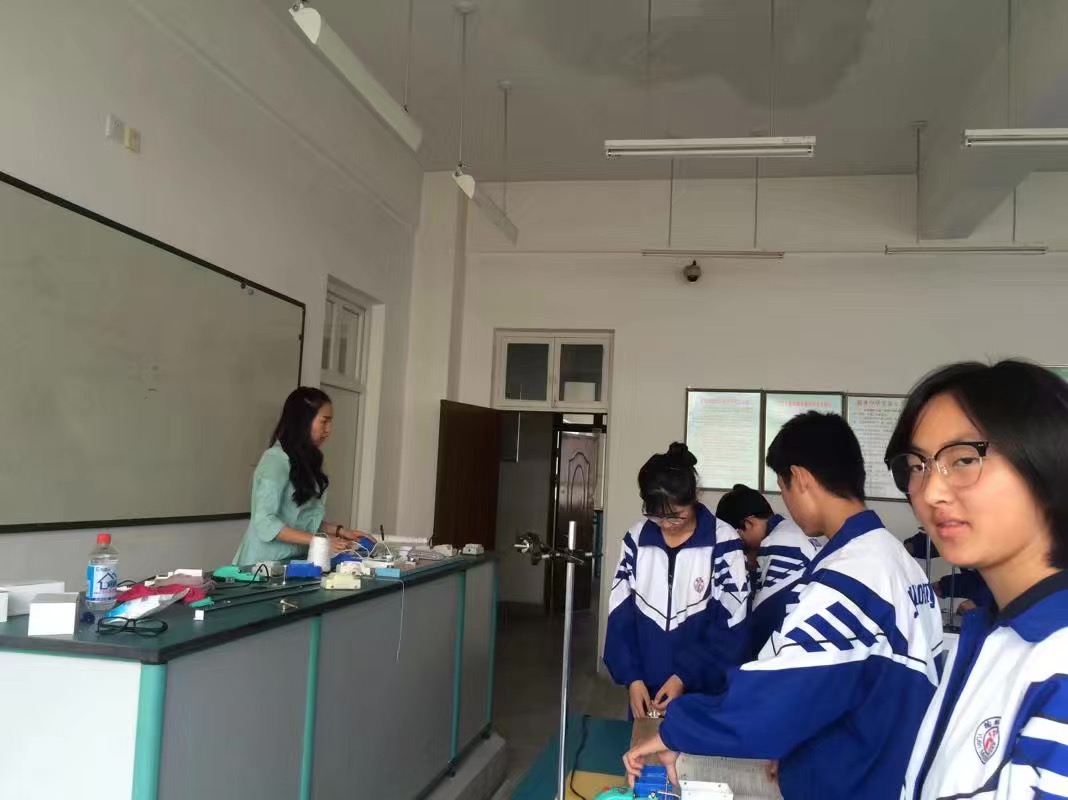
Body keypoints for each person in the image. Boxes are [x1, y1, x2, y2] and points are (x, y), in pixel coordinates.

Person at [625, 413, 943, 800]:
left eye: (783, 488)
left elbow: (772, 702)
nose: (786, 504)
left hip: (849, 782)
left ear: (801, 478)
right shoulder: (902, 564)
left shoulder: (850, 579)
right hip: (889, 773)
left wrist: (675, 730)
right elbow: (840, 686)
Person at [886, 361, 1068, 800]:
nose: (930, 492)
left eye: (964, 459)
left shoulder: (1058, 667)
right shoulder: (990, 635)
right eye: (917, 466)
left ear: (1046, 461)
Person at [603, 442, 750, 719]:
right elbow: (620, 615)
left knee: (695, 746)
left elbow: (732, 625)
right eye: (657, 516)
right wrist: (633, 678)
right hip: (646, 693)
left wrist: (685, 675)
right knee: (644, 746)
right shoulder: (636, 541)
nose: (667, 524)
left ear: (694, 498)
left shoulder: (723, 542)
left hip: (703, 692)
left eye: (676, 516)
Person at [233, 387, 370, 565]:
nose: (328, 430)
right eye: (324, 421)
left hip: (292, 563)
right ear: (303, 421)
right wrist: (320, 541)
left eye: (330, 422)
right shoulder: (275, 460)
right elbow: (265, 521)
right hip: (260, 567)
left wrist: (341, 532)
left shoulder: (307, 460)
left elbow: (302, 520)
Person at [716, 484, 826, 657]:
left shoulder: (778, 544)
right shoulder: (790, 528)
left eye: (737, 537)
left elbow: (766, 615)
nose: (738, 545)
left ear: (748, 523)